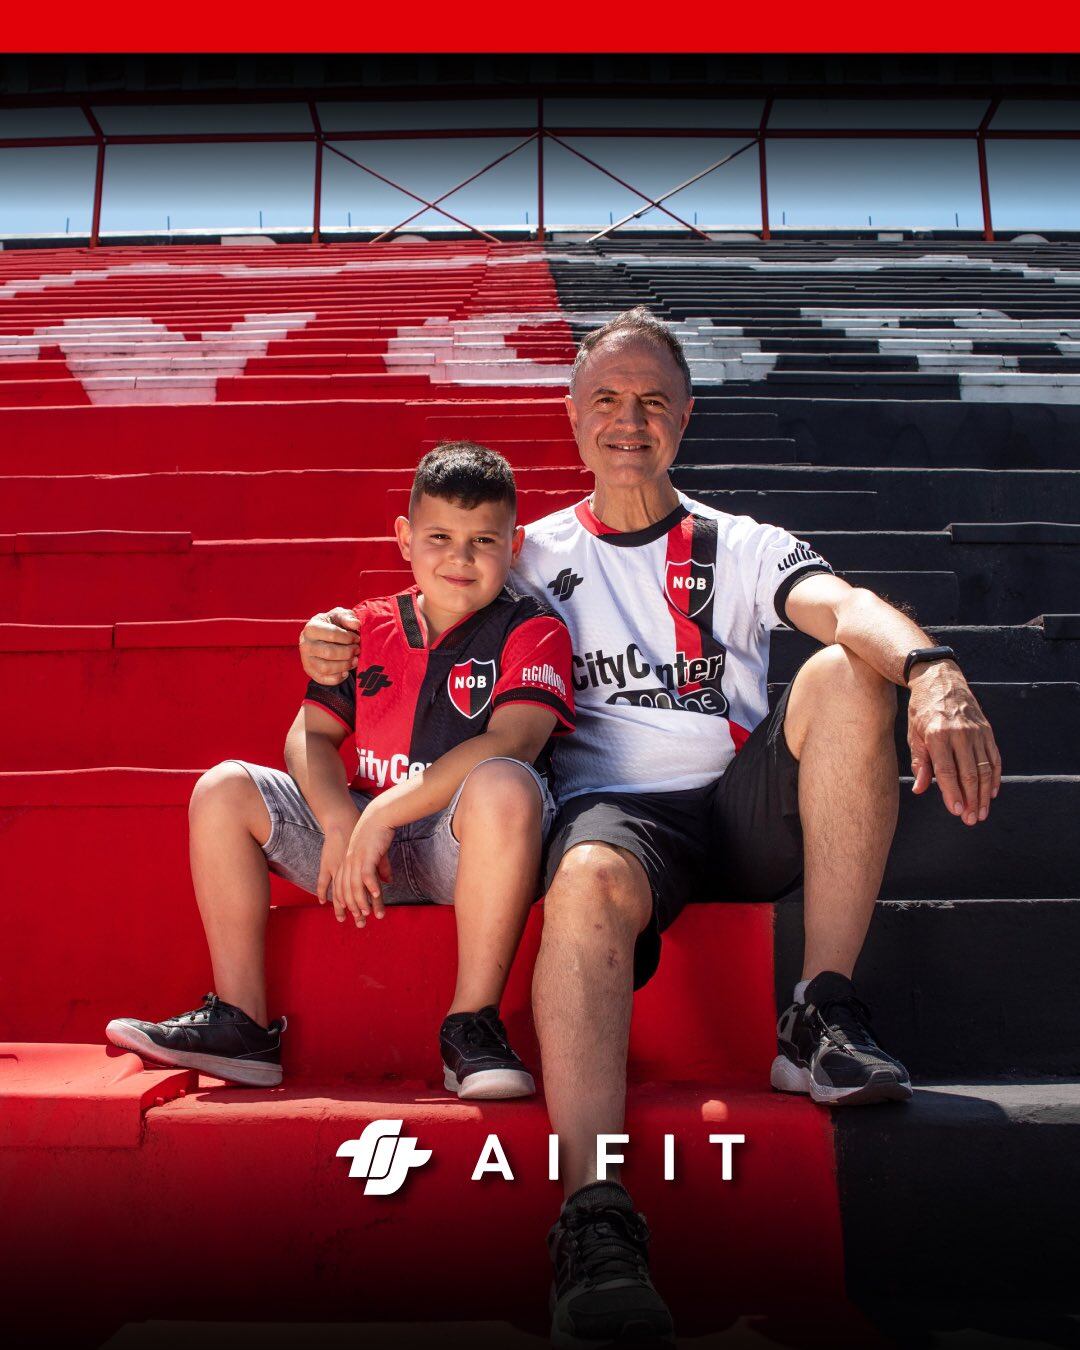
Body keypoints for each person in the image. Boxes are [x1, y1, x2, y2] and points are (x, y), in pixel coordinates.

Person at [298, 309, 1003, 1346]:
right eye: (607, 400)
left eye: (654, 401)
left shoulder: (740, 544)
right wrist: (329, 637)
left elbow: (846, 605)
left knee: (853, 673)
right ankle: (593, 1216)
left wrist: (933, 669)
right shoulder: (523, 552)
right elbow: (412, 607)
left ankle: (821, 1008)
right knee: (582, 879)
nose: (630, 420)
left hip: (745, 799)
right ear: (573, 416)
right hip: (616, 817)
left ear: (685, 416)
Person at [107, 441, 575, 1101]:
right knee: (221, 789)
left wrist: (379, 814)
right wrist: (338, 819)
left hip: (462, 846)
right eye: (440, 536)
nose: (461, 559)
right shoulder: (365, 626)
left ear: (516, 543)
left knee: (505, 782)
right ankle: (242, 1025)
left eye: (483, 541)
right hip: (360, 844)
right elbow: (310, 734)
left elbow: (514, 740)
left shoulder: (534, 628)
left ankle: (472, 1025)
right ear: (406, 539)